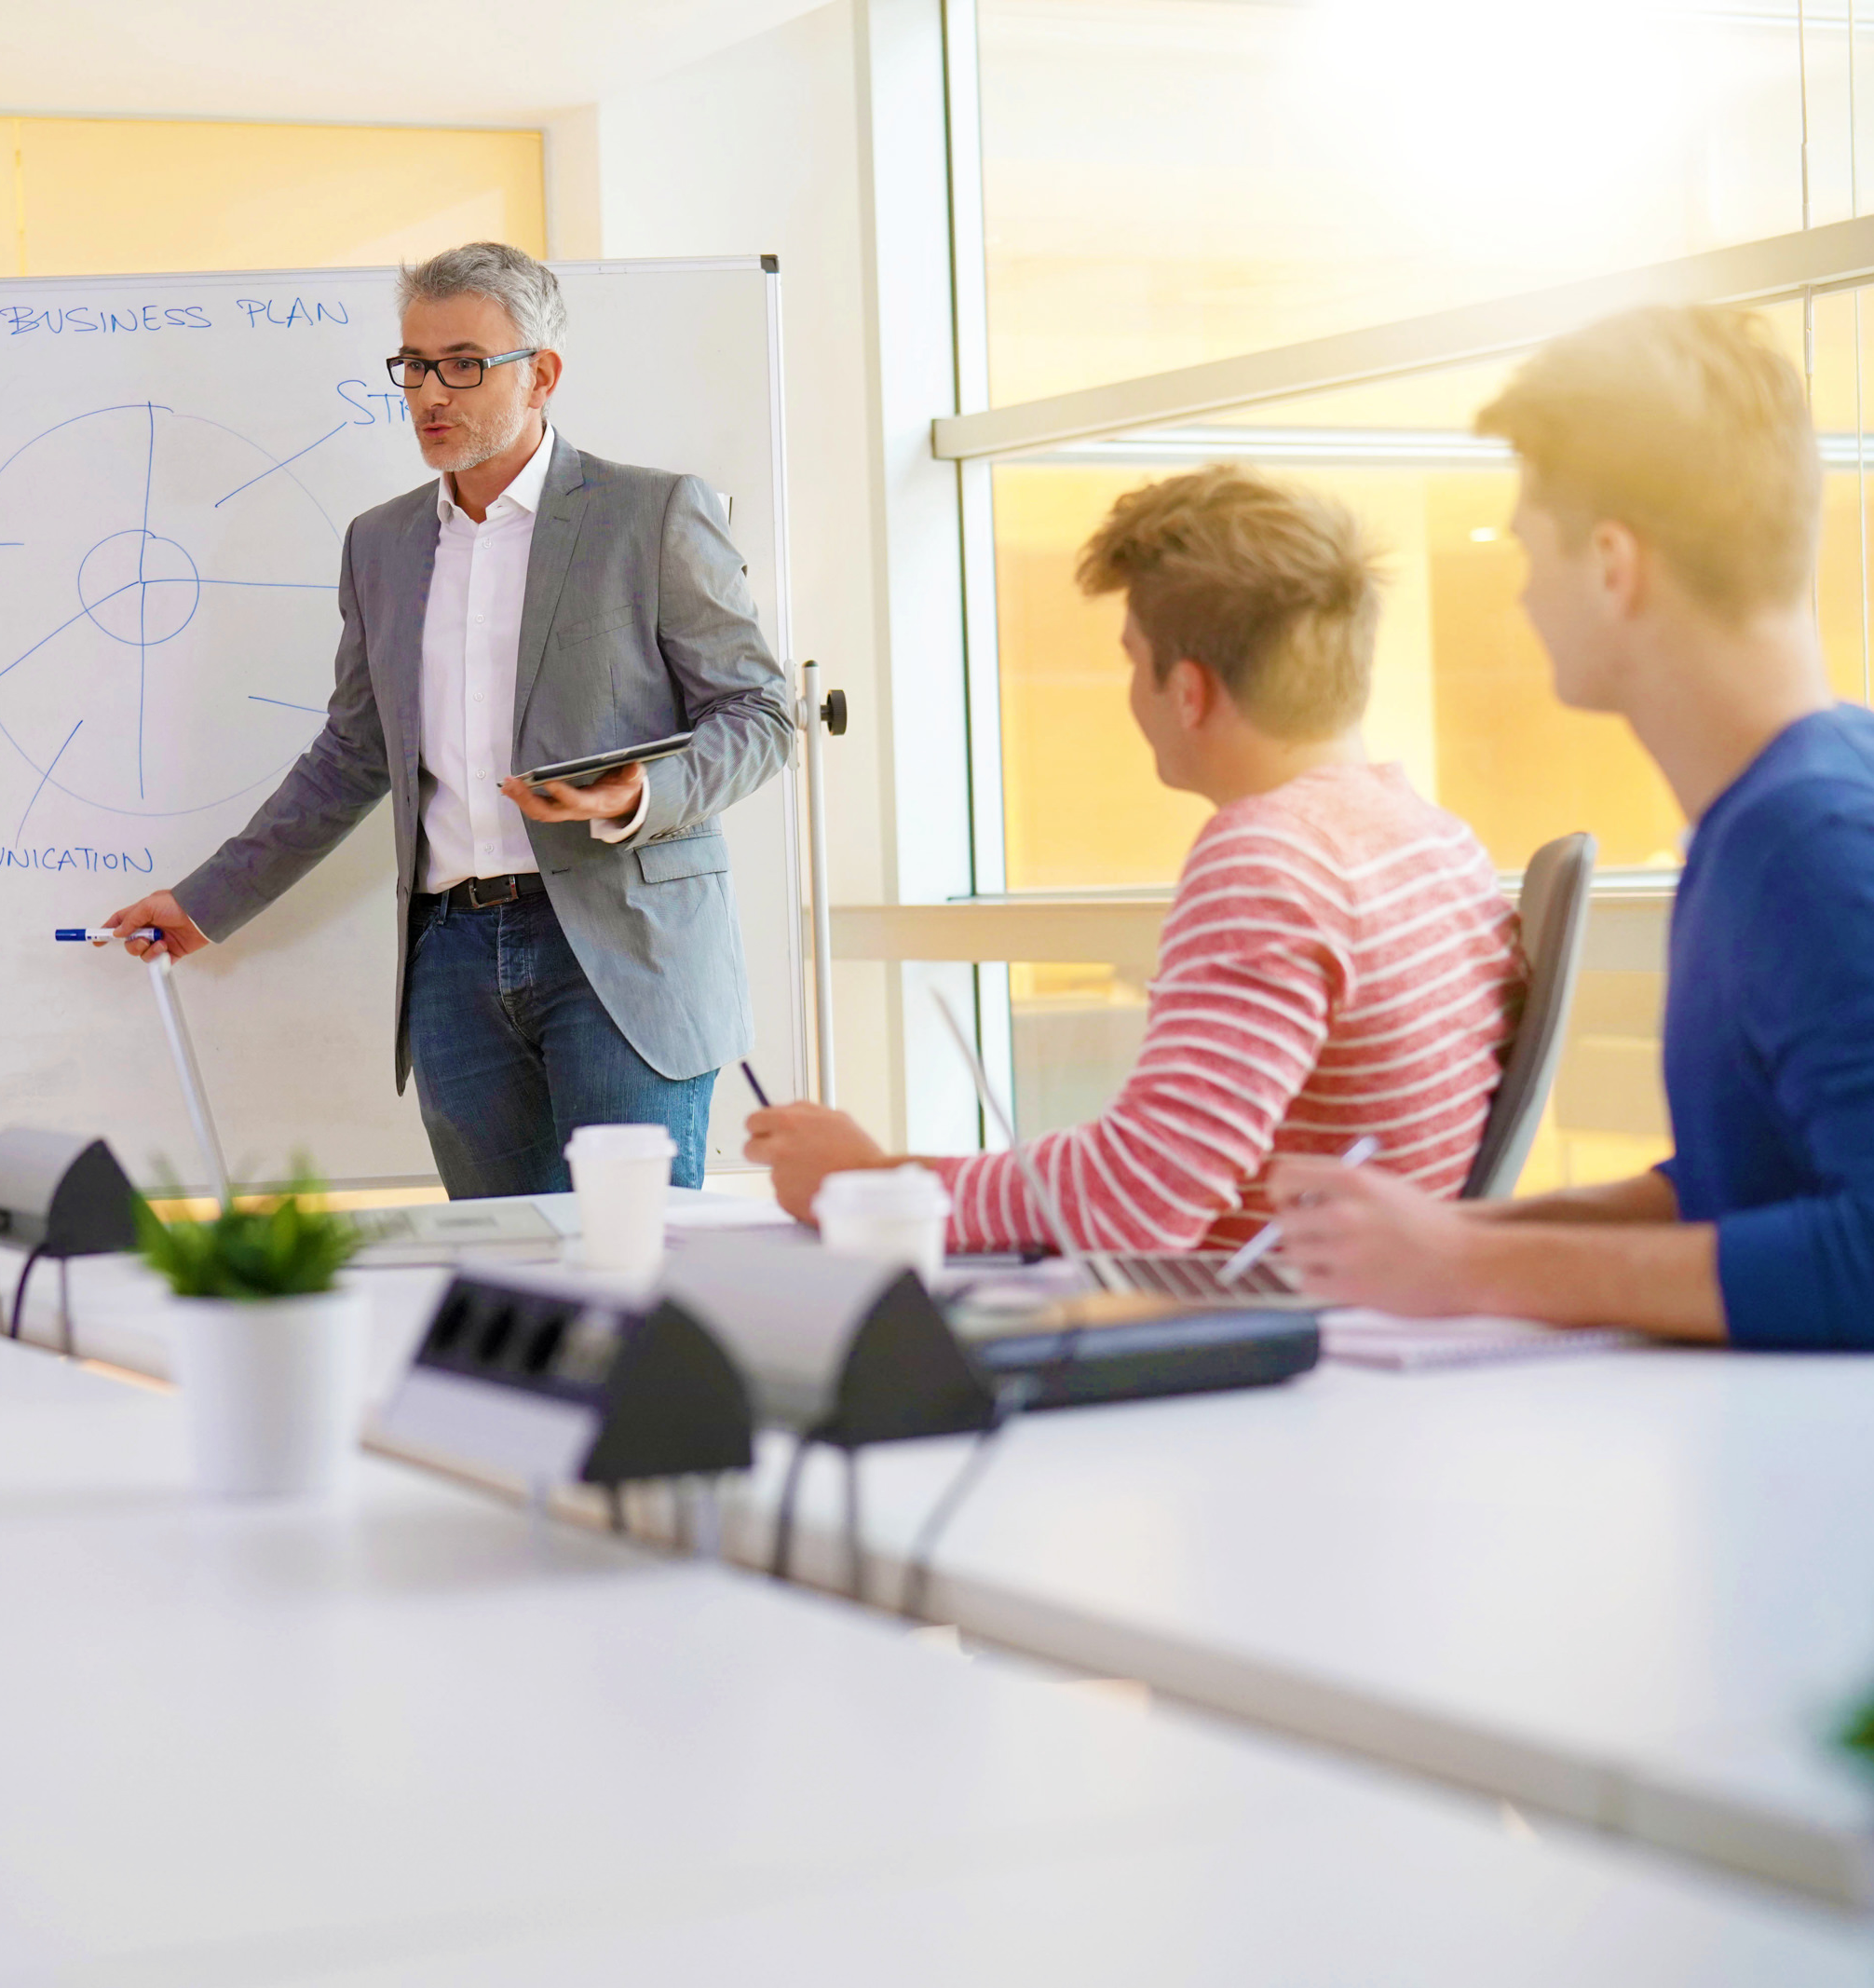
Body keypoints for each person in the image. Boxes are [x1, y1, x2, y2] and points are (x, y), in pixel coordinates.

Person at [1271, 306, 1874, 1352]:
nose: (1520, 597)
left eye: (1528, 553)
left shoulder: (1813, 843)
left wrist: (1474, 1264)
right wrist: (1450, 1235)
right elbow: (1756, 1175)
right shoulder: (1864, 783)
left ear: (1613, 565)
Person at [101, 242, 792, 1195]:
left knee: (631, 1271)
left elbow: (759, 712)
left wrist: (644, 790)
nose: (431, 392)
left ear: (540, 375)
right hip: (452, 962)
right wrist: (206, 901)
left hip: (620, 950)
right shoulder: (379, 543)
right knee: (506, 1285)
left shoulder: (652, 514)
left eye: (464, 364)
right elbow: (353, 753)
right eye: (414, 365)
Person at [744, 466, 1523, 1256]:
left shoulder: (1271, 859)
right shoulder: (1439, 842)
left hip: (1245, 1338)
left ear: (1188, 692)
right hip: (1354, 1318)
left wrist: (868, 1183)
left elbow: (1135, 1200)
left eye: (1131, 658)